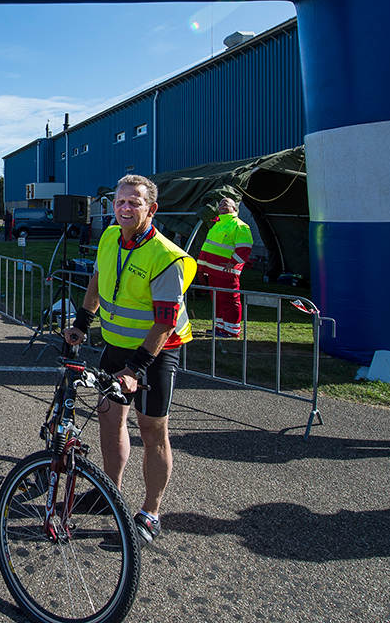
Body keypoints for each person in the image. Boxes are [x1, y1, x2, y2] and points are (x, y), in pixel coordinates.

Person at [64, 174, 196, 544]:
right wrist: (82, 322)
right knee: (109, 420)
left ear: (151, 209)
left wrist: (136, 368)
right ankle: (110, 493)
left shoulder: (167, 257)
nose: (125, 208)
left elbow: (165, 322)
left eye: (134, 202)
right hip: (115, 346)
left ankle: (151, 513)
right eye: (120, 201)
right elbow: (98, 279)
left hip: (156, 353)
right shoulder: (110, 236)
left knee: (152, 430)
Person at [196, 196, 253, 338]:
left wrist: (233, 262)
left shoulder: (240, 226)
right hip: (212, 271)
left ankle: (232, 330)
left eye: (226, 203)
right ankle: (220, 327)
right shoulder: (217, 223)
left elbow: (244, 248)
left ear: (234, 208)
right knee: (218, 300)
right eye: (220, 204)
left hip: (226, 272)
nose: (221, 205)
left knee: (230, 300)